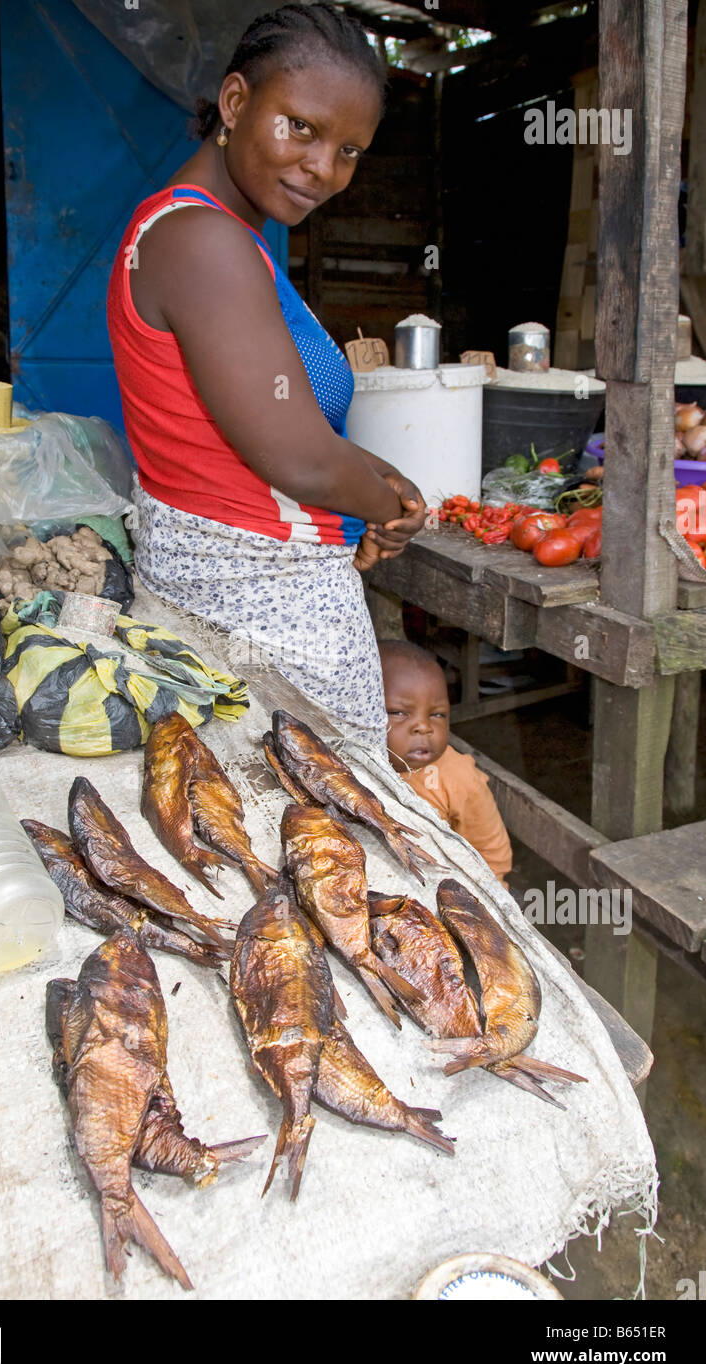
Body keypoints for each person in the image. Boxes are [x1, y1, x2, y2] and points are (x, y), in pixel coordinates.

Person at [107, 3, 426, 749]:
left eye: (351, 150)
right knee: (324, 833)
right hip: (262, 613)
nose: (323, 168)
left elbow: (284, 423)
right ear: (236, 101)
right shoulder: (203, 242)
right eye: (302, 128)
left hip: (248, 605)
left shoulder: (224, 237)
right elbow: (301, 460)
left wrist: (388, 489)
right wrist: (389, 505)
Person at [379, 640, 513, 886]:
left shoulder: (459, 779)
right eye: (399, 712)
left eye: (437, 715)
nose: (424, 727)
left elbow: (492, 855)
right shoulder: (352, 764)